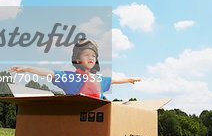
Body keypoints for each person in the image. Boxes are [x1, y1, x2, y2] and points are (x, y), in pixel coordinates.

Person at [9, 38, 141, 99]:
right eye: (86, 55)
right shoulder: (71, 77)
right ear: (77, 59)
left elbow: (114, 80)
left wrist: (129, 79)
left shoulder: (100, 79)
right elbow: (50, 73)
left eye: (93, 55)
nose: (91, 58)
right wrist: (27, 69)